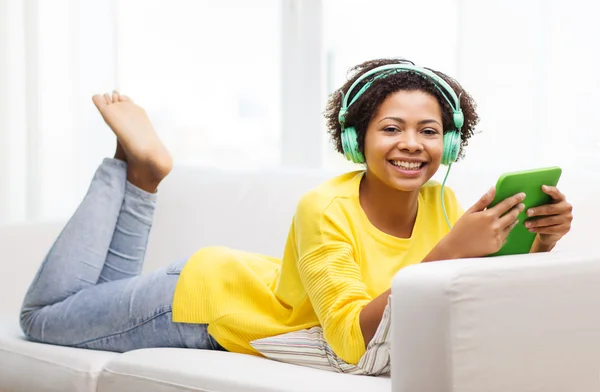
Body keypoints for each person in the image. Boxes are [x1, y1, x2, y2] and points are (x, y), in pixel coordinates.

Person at [19, 58, 573, 365]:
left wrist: (537, 239)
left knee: (87, 302)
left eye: (429, 131)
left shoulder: (442, 201)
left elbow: (456, 294)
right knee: (42, 318)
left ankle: (141, 174)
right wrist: (450, 251)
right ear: (357, 142)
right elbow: (351, 343)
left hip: (244, 283)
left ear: (449, 147)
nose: (412, 144)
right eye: (391, 128)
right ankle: (131, 171)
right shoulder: (323, 207)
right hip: (198, 304)